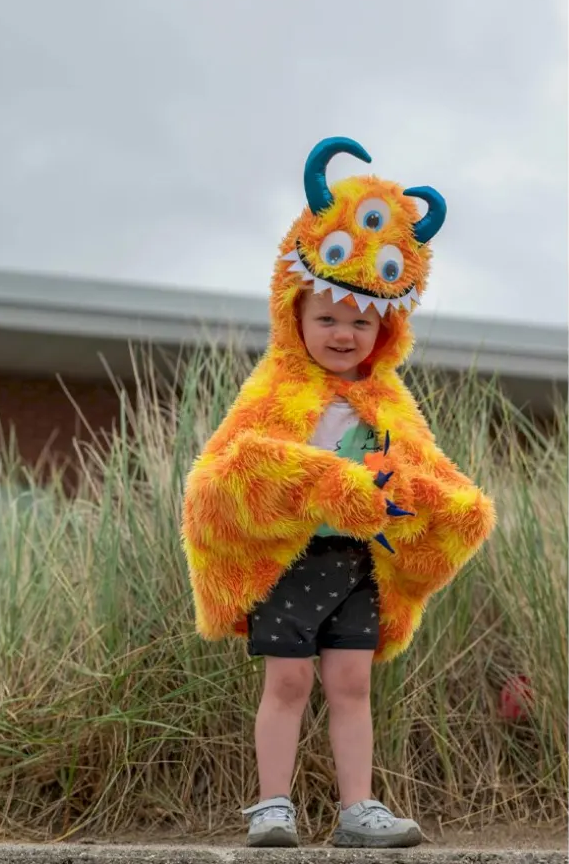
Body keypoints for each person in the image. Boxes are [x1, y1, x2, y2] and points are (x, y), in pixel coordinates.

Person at [180, 137, 496, 848]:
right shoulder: (274, 391)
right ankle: (272, 806)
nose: (345, 333)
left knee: (352, 683)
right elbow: (225, 473)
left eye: (361, 321)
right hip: (287, 558)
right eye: (327, 318)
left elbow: (423, 470)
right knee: (288, 682)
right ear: (293, 313)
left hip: (358, 564)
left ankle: (358, 809)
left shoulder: (388, 400)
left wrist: (443, 504)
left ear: (386, 327)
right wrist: (324, 483)